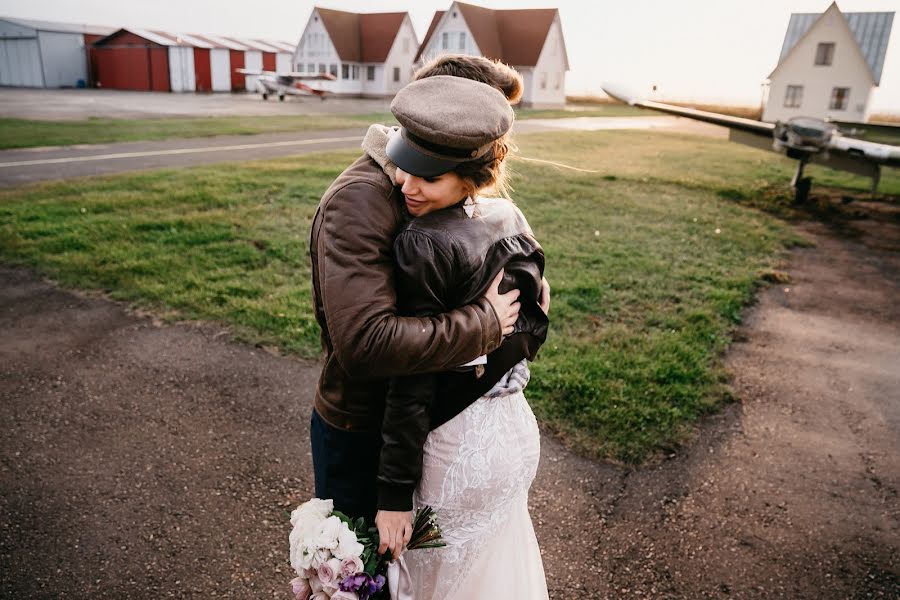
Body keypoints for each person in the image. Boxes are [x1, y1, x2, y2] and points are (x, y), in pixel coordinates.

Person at [308, 56, 537, 526]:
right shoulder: (361, 201)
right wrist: (486, 323)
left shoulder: (450, 186)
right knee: (357, 582)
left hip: (418, 427)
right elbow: (367, 343)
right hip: (364, 428)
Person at [371, 62, 551, 599]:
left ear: (473, 177)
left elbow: (413, 377)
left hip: (457, 454)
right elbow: (536, 326)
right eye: (405, 168)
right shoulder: (508, 217)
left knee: (432, 584)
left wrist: (393, 494)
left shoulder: (422, 243)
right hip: (513, 436)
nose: (407, 184)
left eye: (429, 176)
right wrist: (489, 347)